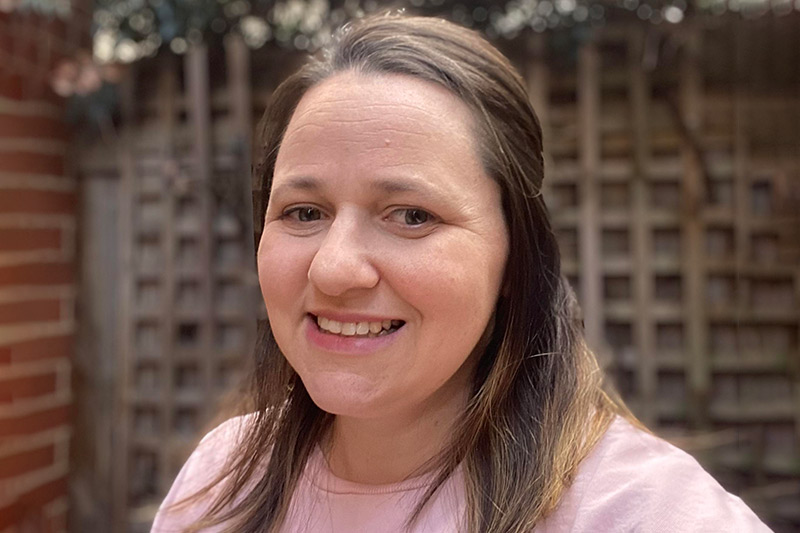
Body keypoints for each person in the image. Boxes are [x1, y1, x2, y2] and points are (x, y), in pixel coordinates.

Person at [151, 14, 771, 533]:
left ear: (512, 257)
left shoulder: (642, 513)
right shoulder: (220, 483)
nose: (335, 268)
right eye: (303, 212)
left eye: (413, 215)